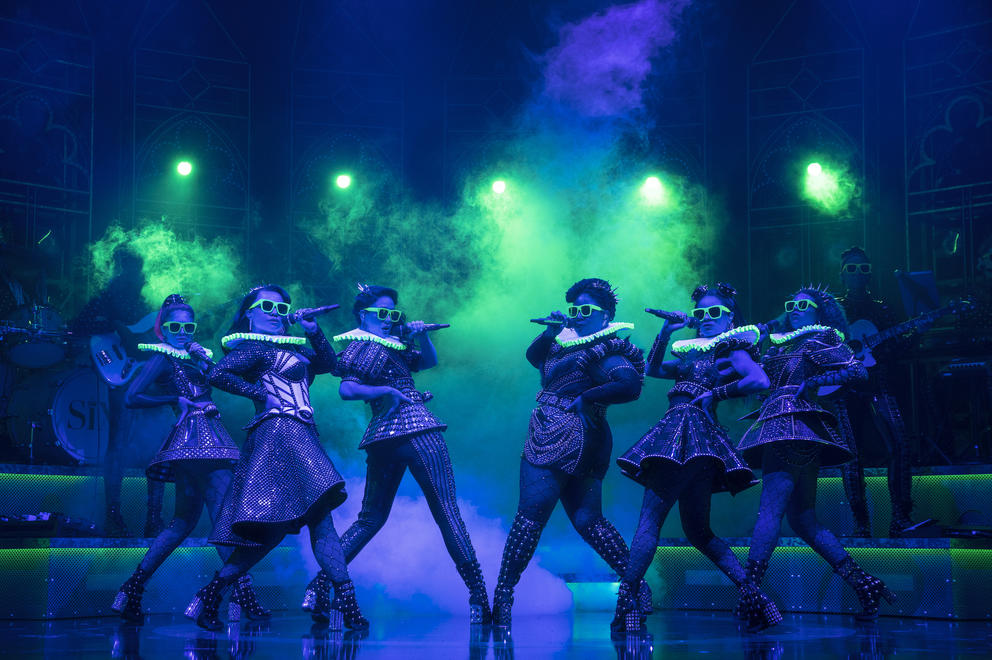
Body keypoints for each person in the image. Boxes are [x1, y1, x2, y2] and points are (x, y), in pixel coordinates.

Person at [300, 284, 489, 623]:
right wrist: (385, 389)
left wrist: (420, 336)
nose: (388, 320)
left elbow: (426, 362)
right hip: (417, 429)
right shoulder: (366, 345)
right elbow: (346, 388)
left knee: (370, 519)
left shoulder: (386, 344)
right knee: (446, 512)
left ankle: (317, 586)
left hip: (384, 436)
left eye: (393, 314)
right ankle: (479, 597)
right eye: (381, 314)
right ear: (363, 316)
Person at [185, 285, 366, 631]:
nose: (275, 311)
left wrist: (312, 330)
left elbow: (331, 365)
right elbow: (217, 373)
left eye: (282, 308)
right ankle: (349, 608)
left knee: (294, 525)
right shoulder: (254, 347)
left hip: (300, 434)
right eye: (266, 305)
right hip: (280, 433)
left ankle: (209, 595)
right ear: (249, 313)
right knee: (311, 520)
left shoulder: (289, 348)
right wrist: (259, 393)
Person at [612, 284, 780, 634]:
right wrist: (666, 330)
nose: (705, 319)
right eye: (700, 314)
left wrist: (716, 392)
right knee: (698, 531)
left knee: (649, 522)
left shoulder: (731, 349)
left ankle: (626, 606)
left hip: (684, 434)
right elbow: (654, 370)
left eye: (714, 313)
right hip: (701, 445)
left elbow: (759, 379)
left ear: (730, 316)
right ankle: (757, 599)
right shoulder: (692, 355)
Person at [492, 278, 648, 628]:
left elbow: (630, 384)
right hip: (583, 435)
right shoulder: (568, 343)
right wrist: (552, 331)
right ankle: (637, 591)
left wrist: (588, 397)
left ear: (606, 315)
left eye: (586, 310)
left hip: (561, 433)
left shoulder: (604, 348)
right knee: (587, 520)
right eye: (574, 309)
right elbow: (535, 358)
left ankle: (501, 601)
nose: (577, 316)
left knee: (529, 517)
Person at [737, 287, 895, 621]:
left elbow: (858, 370)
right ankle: (864, 583)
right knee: (803, 519)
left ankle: (750, 596)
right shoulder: (787, 341)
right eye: (790, 304)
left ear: (819, 311)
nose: (794, 309)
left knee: (769, 513)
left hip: (791, 427)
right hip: (789, 426)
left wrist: (815, 382)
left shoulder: (819, 339)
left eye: (802, 305)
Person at [111, 294, 268, 624]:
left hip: (207, 438)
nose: (182, 331)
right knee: (224, 519)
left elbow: (221, 379)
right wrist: (176, 399)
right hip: (196, 440)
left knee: (182, 523)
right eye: (175, 326)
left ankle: (130, 591)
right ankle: (242, 596)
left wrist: (203, 359)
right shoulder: (162, 358)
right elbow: (131, 396)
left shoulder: (194, 357)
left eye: (188, 326)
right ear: (163, 331)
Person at [69, 248, 166, 537]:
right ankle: (113, 514)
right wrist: (117, 328)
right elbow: (79, 326)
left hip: (152, 372)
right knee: (119, 442)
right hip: (123, 372)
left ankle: (153, 517)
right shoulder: (110, 291)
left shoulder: (154, 294)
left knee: (158, 443)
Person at [833, 247, 926, 537]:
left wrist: (917, 332)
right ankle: (861, 524)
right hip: (845, 388)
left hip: (878, 383)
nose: (858, 274)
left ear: (870, 272)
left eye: (863, 268)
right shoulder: (832, 310)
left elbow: (896, 349)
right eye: (852, 268)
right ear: (842, 274)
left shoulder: (883, 308)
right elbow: (823, 347)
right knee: (850, 455)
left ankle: (900, 517)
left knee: (900, 444)